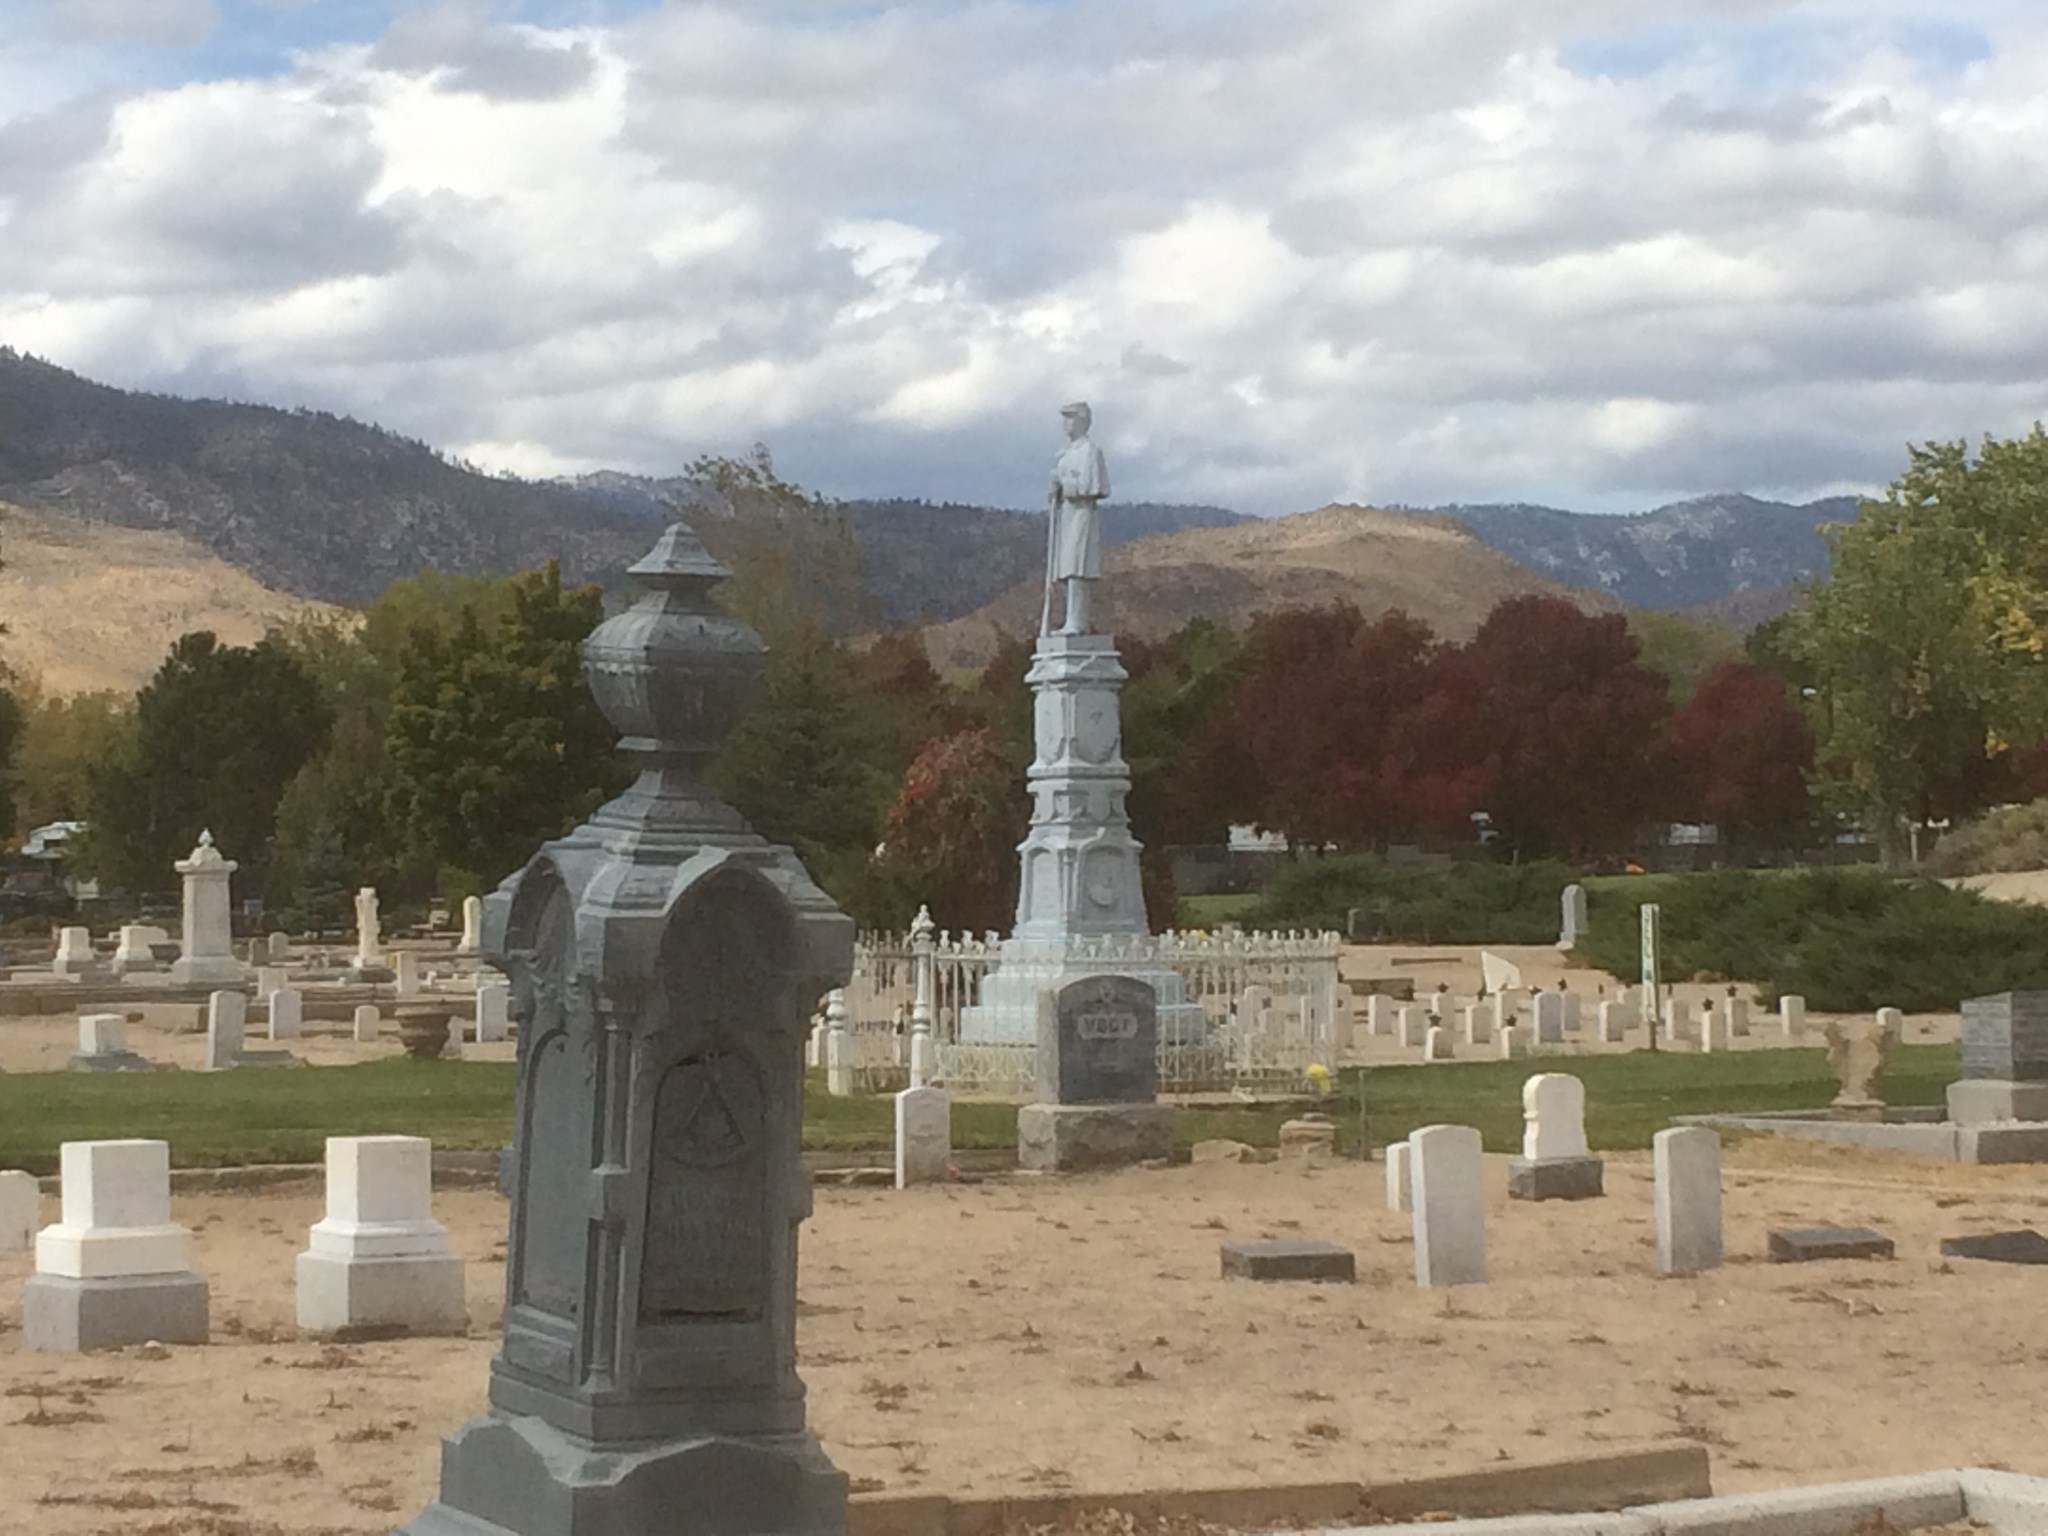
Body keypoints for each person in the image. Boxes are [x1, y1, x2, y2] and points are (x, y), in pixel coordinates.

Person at [1042, 401, 1110, 635]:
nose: (1066, 424)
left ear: (1083, 421)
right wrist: (1054, 490)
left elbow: (1094, 487)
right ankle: (1068, 619)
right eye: (1065, 418)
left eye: (1071, 418)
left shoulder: (1090, 452)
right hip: (1067, 515)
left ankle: (1077, 622)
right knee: (1066, 568)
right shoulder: (1064, 455)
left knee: (1076, 567)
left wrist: (1066, 484)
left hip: (1082, 514)